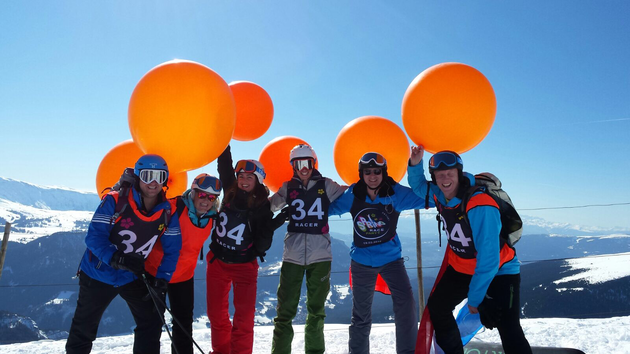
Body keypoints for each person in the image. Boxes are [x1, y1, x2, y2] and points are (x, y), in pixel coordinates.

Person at [407, 146, 532, 354]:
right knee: (438, 308)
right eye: (439, 174)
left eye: (450, 173)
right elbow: (419, 186)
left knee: (508, 327)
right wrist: (415, 162)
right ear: (435, 177)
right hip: (462, 267)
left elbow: (489, 258)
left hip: (501, 270)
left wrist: (476, 299)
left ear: (459, 173)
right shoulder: (440, 195)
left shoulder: (480, 204)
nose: (445, 178)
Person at [66, 154, 182, 354]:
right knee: (84, 328)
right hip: (98, 273)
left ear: (166, 180)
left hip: (131, 275)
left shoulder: (168, 212)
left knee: (152, 321)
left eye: (159, 176)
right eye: (147, 176)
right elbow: (93, 237)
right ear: (138, 177)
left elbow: (173, 249)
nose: (153, 183)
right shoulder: (115, 200)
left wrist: (162, 280)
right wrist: (116, 258)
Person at [328, 152, 428, 354]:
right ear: (361, 174)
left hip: (392, 261)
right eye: (367, 172)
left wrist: (417, 168)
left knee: (406, 306)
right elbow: (327, 209)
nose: (372, 176)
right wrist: (303, 200)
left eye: (376, 171)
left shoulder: (395, 194)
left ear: (384, 173)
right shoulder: (353, 194)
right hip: (361, 263)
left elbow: (426, 197)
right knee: (361, 315)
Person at [269, 144, 347, 354]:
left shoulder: (327, 185)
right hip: (292, 256)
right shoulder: (287, 188)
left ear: (314, 163)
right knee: (284, 312)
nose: (304, 168)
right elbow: (269, 206)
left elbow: (349, 196)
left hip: (321, 256)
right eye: (299, 163)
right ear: (293, 166)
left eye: (308, 163)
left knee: (316, 311)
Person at [206, 145, 282, 354]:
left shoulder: (261, 205)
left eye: (250, 176)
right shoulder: (230, 190)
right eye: (241, 175)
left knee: (244, 317)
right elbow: (224, 165)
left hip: (244, 266)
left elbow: (262, 246)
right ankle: (221, 350)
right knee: (216, 314)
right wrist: (223, 139)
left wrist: (270, 226)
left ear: (258, 180)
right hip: (217, 262)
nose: (244, 179)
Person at [144, 173, 222, 354]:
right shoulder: (172, 208)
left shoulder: (212, 217)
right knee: (152, 323)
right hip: (156, 272)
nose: (206, 201)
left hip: (184, 276)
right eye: (202, 195)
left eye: (212, 197)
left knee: (184, 322)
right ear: (193, 192)